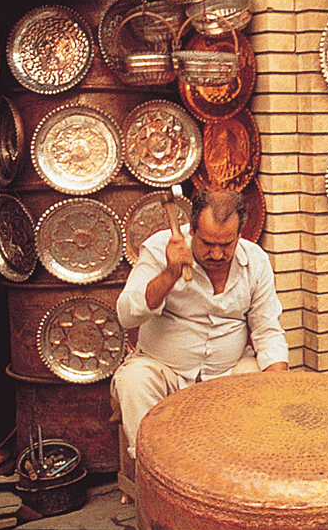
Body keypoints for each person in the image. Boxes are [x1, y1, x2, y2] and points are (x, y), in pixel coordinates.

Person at [111, 188, 289, 459]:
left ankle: (237, 475)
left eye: (226, 244)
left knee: (263, 383)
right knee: (135, 380)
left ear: (240, 234)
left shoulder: (256, 261)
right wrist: (170, 273)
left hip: (228, 372)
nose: (217, 254)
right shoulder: (159, 248)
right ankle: (158, 474)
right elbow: (127, 315)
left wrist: (279, 383)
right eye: (207, 243)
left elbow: (267, 330)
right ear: (192, 229)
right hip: (165, 371)